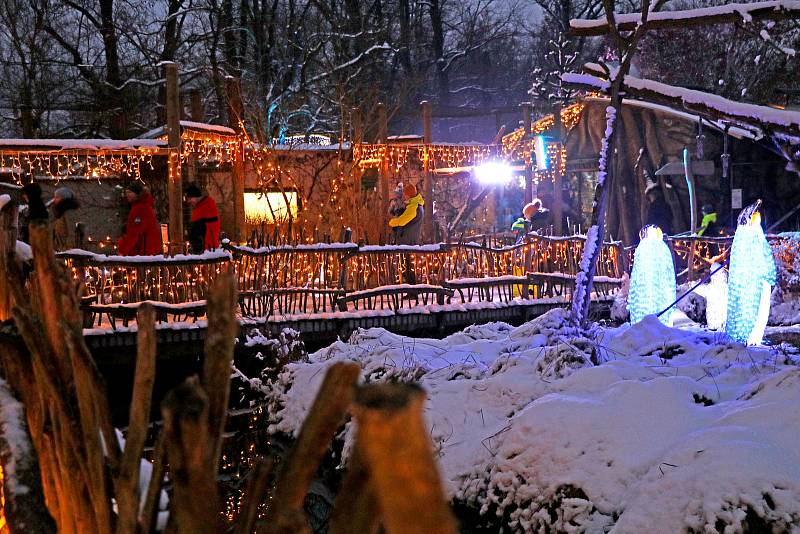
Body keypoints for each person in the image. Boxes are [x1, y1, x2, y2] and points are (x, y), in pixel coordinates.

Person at [117, 182, 162, 256]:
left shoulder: (140, 208)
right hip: (149, 249)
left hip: (142, 251)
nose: (127, 195)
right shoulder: (144, 206)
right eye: (126, 192)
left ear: (137, 193)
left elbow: (135, 232)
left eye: (130, 192)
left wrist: (122, 249)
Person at [185, 184, 221, 253]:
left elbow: (197, 231)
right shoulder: (202, 206)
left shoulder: (205, 207)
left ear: (195, 197)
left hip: (207, 249)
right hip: (208, 248)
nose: (188, 201)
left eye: (190, 198)